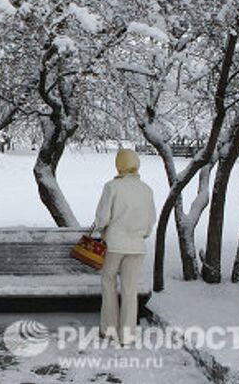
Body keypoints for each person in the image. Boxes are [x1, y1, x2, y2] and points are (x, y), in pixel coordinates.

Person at [94, 148, 156, 346]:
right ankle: (128, 334)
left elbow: (102, 218)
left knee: (108, 282)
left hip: (114, 245)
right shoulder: (146, 189)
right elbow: (150, 222)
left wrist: (100, 227)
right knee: (130, 290)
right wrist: (139, 234)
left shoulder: (112, 187)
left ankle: (108, 329)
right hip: (137, 246)